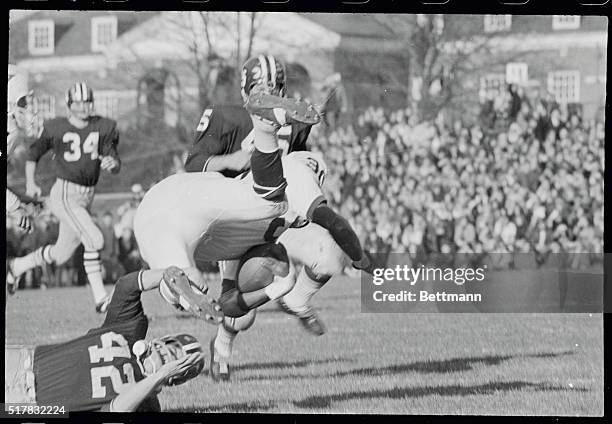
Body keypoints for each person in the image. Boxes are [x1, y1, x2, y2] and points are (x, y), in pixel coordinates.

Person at [182, 55, 371, 380]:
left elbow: (295, 165)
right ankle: (223, 345)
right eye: (260, 87)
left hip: (283, 217)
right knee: (241, 315)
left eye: (275, 87)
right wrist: (233, 159)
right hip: (240, 219)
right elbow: (193, 164)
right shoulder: (224, 115)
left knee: (329, 257)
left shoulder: (293, 122)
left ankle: (297, 299)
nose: (269, 93)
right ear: (245, 89)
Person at [4, 267, 208, 412]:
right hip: (19, 361)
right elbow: (126, 287)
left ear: (176, 376)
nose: (164, 354)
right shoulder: (128, 332)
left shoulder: (147, 404)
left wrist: (157, 377)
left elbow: (113, 411)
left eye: (174, 359)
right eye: (168, 348)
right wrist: (174, 273)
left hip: (29, 407)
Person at [6, 82, 121, 313]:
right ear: (69, 105)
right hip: (65, 194)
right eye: (78, 103)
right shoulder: (56, 127)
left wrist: (113, 163)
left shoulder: (105, 126)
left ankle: (17, 267)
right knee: (95, 239)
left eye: (87, 102)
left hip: (86, 197)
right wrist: (30, 182)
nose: (83, 107)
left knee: (61, 254)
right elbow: (33, 154)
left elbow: (115, 161)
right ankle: (100, 299)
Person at [6, 64, 37, 238]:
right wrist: (15, 207)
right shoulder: (11, 130)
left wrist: (23, 201)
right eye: (24, 102)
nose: (29, 108)